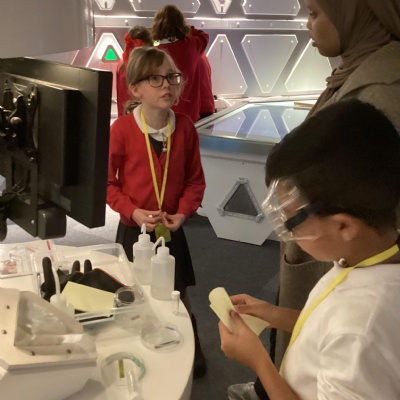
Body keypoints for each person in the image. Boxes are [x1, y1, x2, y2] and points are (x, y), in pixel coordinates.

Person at [219, 98, 400, 399]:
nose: (287, 232)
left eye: (291, 221)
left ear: (344, 226)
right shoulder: (368, 257)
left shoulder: (361, 331)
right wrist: (274, 314)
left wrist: (259, 361)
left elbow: (346, 332)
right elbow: (327, 328)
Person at [107, 46, 207, 378]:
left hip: (170, 230)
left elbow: (195, 181)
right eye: (155, 78)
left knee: (178, 291)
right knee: (133, 291)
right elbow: (107, 184)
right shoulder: (122, 130)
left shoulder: (186, 128)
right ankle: (136, 346)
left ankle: (191, 346)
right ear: (135, 88)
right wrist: (132, 211)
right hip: (133, 229)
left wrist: (184, 212)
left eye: (172, 77)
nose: (166, 85)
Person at [151, 4, 209, 122]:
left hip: (162, 113)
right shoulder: (191, 45)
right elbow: (203, 35)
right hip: (189, 114)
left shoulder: (153, 50)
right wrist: (186, 28)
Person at [116, 25, 152, 117]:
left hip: (125, 114)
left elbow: (119, 95)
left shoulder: (121, 66)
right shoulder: (146, 68)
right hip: (142, 116)